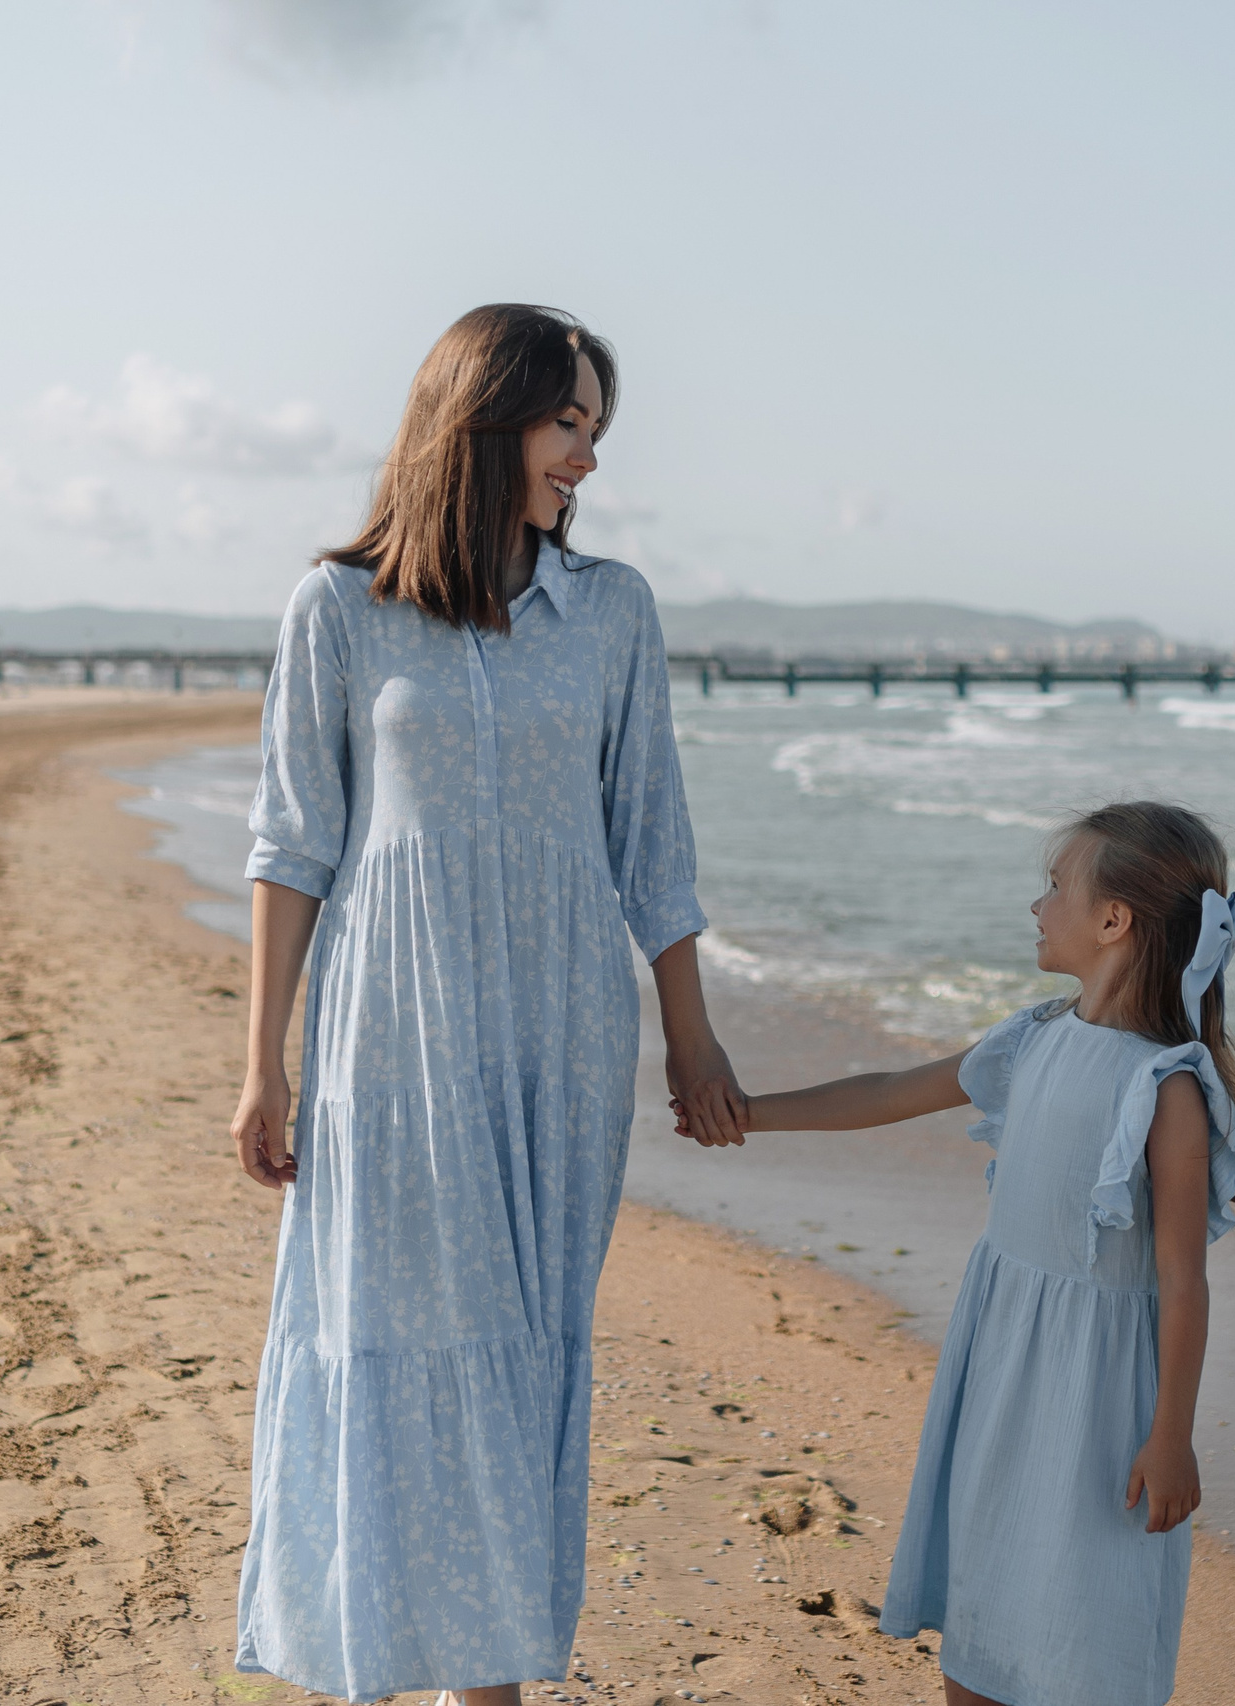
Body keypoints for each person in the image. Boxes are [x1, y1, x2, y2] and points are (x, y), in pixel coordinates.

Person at [230, 303, 750, 1706]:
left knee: (520, 1357)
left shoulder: (613, 611)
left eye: (595, 427)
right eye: (565, 421)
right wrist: (263, 1062)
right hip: (390, 1030)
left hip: (561, 1035)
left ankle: (490, 1683)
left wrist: (690, 1032)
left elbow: (651, 837)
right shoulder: (340, 607)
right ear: (480, 419)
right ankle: (394, 1666)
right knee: (393, 1333)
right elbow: (293, 843)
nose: (586, 455)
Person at [715, 801, 1235, 1706]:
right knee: (984, 1615)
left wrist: (1171, 1437)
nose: (1038, 906)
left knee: (1087, 1627)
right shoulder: (1032, 1037)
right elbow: (889, 1092)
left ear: (1113, 920)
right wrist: (747, 1115)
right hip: (1002, 1367)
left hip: (1101, 1402)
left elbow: (1182, 1281)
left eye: (1055, 887)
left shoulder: (1163, 1087)